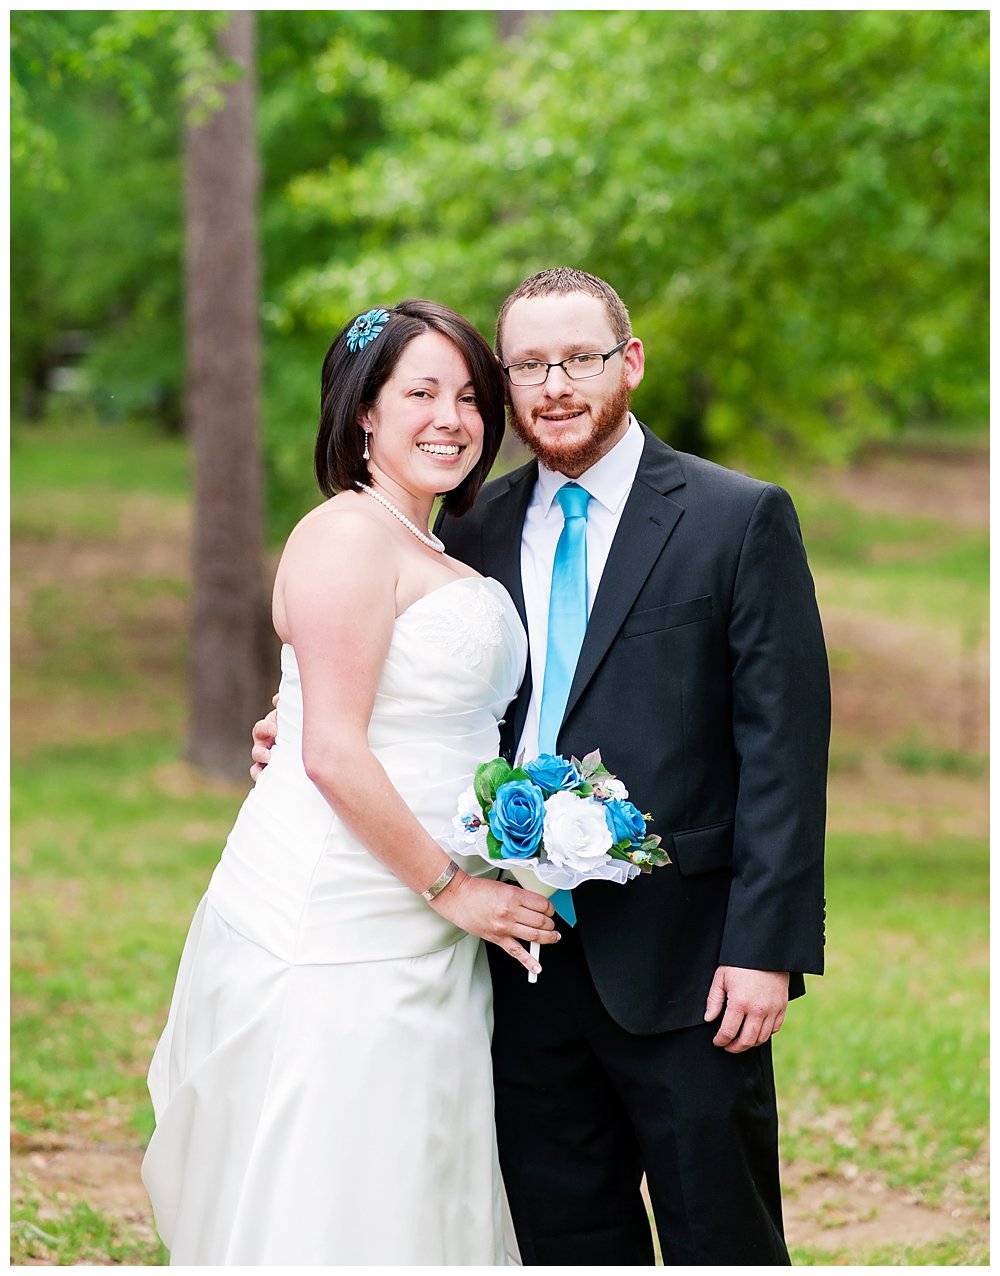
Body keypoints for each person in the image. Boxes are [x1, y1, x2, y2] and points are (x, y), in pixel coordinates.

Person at [253, 268, 830, 1264]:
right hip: (513, 960)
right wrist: (292, 718)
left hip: (687, 961)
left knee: (722, 1237)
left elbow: (783, 746)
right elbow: (407, 682)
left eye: (579, 359)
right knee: (562, 1237)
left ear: (629, 363)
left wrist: (765, 946)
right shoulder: (469, 526)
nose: (555, 385)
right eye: (527, 365)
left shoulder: (736, 518)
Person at [141, 298, 559, 1266]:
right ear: (364, 411)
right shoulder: (346, 535)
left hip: (424, 931)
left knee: (415, 1175)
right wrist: (454, 889)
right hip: (342, 918)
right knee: (336, 1189)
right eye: (421, 393)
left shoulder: (429, 544)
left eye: (470, 397)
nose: (452, 418)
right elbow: (331, 750)